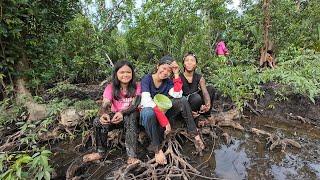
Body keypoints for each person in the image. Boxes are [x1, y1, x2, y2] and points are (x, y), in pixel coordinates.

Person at [140, 55, 205, 165]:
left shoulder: (167, 81)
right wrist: (165, 121)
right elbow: (146, 102)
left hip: (162, 113)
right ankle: (157, 150)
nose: (165, 72)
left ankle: (195, 134)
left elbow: (178, 94)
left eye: (169, 71)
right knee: (148, 112)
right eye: (164, 68)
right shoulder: (147, 79)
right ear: (157, 66)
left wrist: (175, 74)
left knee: (182, 100)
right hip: (148, 116)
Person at [83, 60, 141, 164]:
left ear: (132, 73)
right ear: (116, 74)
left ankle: (131, 156)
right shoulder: (111, 88)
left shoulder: (137, 86)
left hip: (134, 118)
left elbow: (135, 105)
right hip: (116, 118)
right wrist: (103, 114)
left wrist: (122, 113)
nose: (125, 75)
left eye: (128, 72)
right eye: (122, 72)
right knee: (98, 121)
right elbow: (105, 104)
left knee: (130, 116)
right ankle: (100, 152)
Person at [180, 52, 216, 119]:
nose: (189, 62)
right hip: (185, 104)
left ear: (196, 64)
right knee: (195, 98)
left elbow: (205, 92)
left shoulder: (199, 77)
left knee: (211, 89)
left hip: (197, 102)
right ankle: (190, 118)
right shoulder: (179, 77)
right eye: (187, 60)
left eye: (192, 60)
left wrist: (207, 104)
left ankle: (206, 114)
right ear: (184, 64)